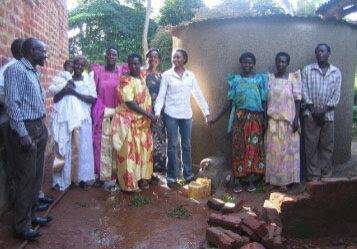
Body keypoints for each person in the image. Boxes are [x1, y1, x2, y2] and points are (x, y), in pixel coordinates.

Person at [4, 38, 51, 240]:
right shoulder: (16, 70)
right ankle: (21, 226)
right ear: (31, 51)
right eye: (42, 51)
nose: (45, 55)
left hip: (39, 126)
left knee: (37, 176)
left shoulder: (32, 71)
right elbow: (12, 104)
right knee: (26, 178)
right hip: (26, 129)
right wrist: (22, 134)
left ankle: (32, 216)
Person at [209, 52, 267, 193]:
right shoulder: (235, 81)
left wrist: (265, 119)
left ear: (253, 64)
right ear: (241, 64)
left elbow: (264, 101)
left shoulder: (260, 79)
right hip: (240, 119)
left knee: (253, 149)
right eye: (244, 62)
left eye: (250, 62)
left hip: (255, 120)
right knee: (239, 148)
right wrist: (216, 118)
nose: (247, 65)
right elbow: (229, 102)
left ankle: (252, 181)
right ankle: (238, 180)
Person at [155, 49, 212, 188]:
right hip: (171, 115)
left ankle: (187, 175)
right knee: (172, 145)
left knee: (186, 145)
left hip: (186, 115)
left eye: (178, 57)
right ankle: (172, 177)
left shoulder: (190, 75)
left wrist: (207, 113)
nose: (175, 60)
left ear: (184, 59)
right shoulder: (167, 75)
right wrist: (157, 112)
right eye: (173, 57)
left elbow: (198, 94)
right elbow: (161, 95)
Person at [51, 55, 97, 190]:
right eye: (77, 64)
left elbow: (92, 99)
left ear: (85, 67)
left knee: (82, 149)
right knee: (66, 148)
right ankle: (66, 178)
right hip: (68, 119)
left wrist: (74, 93)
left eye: (82, 65)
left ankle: (81, 177)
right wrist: (66, 89)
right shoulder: (66, 79)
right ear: (73, 64)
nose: (79, 67)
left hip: (83, 119)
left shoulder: (88, 80)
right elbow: (55, 98)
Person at [112, 54, 155, 192]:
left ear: (140, 64)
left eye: (136, 64)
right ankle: (129, 184)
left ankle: (142, 178)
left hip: (143, 123)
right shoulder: (126, 80)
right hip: (129, 122)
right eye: (130, 64)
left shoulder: (142, 78)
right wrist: (149, 114)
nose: (133, 67)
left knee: (143, 153)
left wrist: (147, 116)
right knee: (130, 154)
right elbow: (129, 102)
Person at [302, 43, 341, 182]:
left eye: (322, 51)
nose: (319, 54)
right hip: (310, 115)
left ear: (329, 53)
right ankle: (313, 176)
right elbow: (304, 91)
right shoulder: (308, 70)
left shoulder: (336, 72)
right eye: (317, 51)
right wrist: (314, 111)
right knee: (311, 147)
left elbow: (336, 96)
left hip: (328, 116)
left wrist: (322, 112)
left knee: (327, 146)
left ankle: (326, 176)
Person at [91, 48, 128, 190]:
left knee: (117, 143)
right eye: (109, 54)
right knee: (100, 144)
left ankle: (117, 175)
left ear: (117, 57)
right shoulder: (98, 71)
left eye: (115, 54)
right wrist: (102, 111)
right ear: (105, 55)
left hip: (118, 113)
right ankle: (102, 176)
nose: (112, 56)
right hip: (103, 113)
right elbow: (93, 92)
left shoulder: (121, 71)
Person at [265, 52, 301, 192]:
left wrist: (296, 119)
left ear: (287, 63)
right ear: (275, 62)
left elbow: (298, 100)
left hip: (289, 122)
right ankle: (274, 181)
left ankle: (287, 182)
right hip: (273, 122)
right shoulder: (270, 78)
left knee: (289, 153)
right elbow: (265, 100)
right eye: (278, 61)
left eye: (283, 62)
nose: (281, 64)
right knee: (274, 152)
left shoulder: (293, 78)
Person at [0, 38, 25, 208]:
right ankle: (18, 203)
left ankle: (28, 200)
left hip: (19, 122)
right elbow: (3, 98)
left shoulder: (22, 68)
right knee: (16, 162)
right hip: (11, 122)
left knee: (25, 163)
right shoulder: (10, 69)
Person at [145, 48, 167, 183]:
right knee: (144, 142)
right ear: (146, 58)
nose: (153, 59)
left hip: (158, 114)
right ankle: (143, 172)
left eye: (155, 57)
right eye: (150, 57)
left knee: (157, 142)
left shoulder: (161, 77)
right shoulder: (140, 74)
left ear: (159, 60)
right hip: (143, 113)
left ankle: (153, 172)